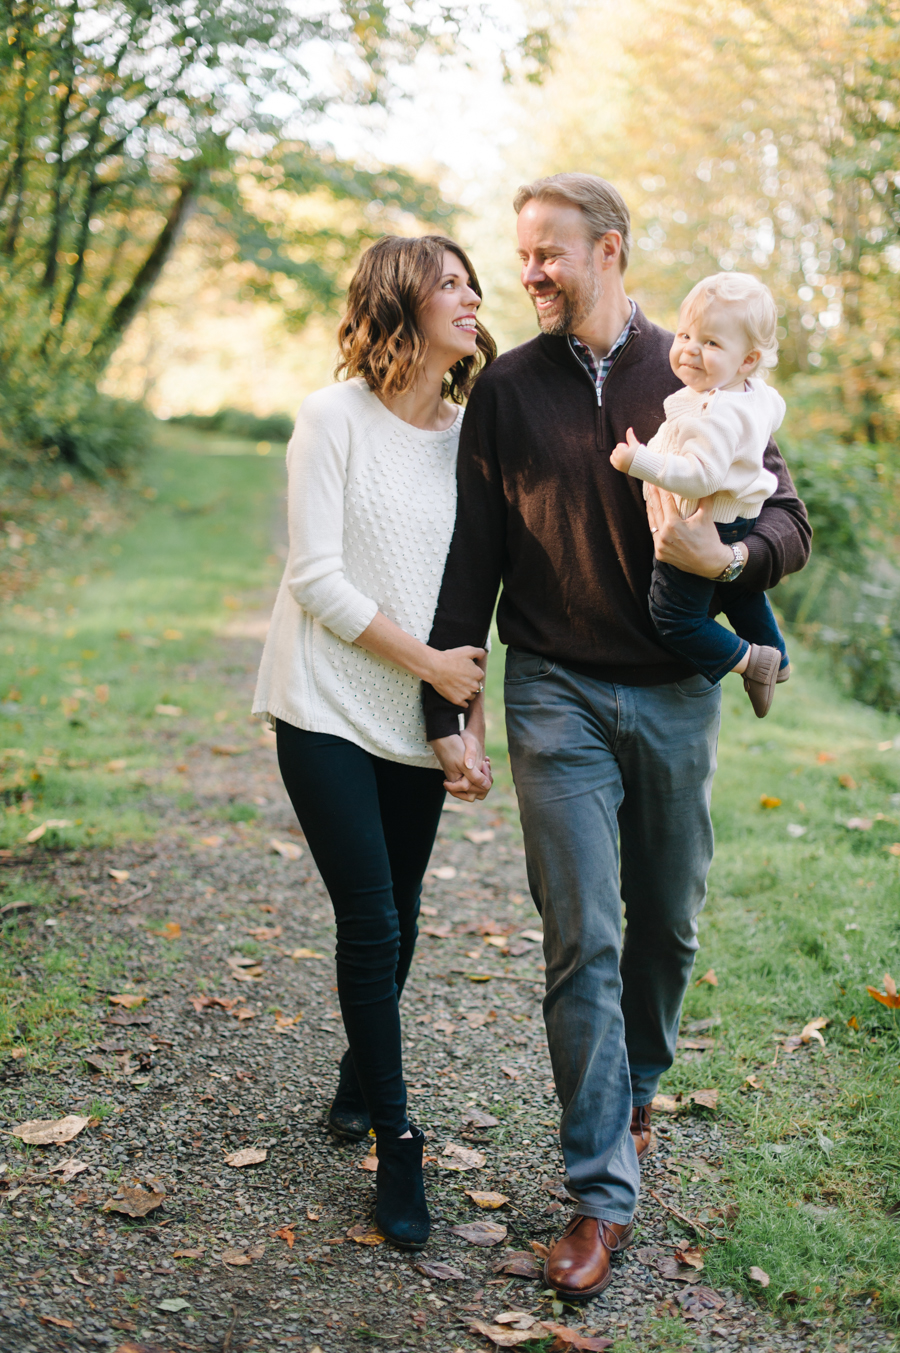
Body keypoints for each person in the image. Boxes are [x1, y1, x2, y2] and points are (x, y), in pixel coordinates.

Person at [423, 173, 810, 1297]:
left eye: (549, 253)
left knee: (670, 923)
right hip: (556, 693)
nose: (530, 273)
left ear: (610, 250)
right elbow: (473, 554)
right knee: (581, 937)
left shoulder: (696, 365)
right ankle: (598, 1193)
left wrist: (734, 564)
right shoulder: (506, 388)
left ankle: (638, 1086)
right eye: (521, 255)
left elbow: (785, 515)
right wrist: (450, 705)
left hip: (675, 691)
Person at [253, 234, 495, 1250]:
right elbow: (315, 581)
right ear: (401, 304)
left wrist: (462, 720)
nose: (475, 294)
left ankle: (358, 1082)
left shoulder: (474, 438)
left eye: (472, 278)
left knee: (402, 911)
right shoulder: (332, 418)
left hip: (413, 723)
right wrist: (430, 667)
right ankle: (397, 1139)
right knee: (373, 922)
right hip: (320, 704)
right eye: (450, 282)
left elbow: (475, 595)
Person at [610, 271, 790, 718]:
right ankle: (779, 654)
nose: (690, 348)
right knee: (740, 594)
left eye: (711, 343)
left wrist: (639, 463)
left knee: (675, 617)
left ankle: (754, 662)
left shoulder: (715, 410)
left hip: (702, 521)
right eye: (686, 334)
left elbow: (702, 476)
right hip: (740, 518)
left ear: (748, 359)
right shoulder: (755, 396)